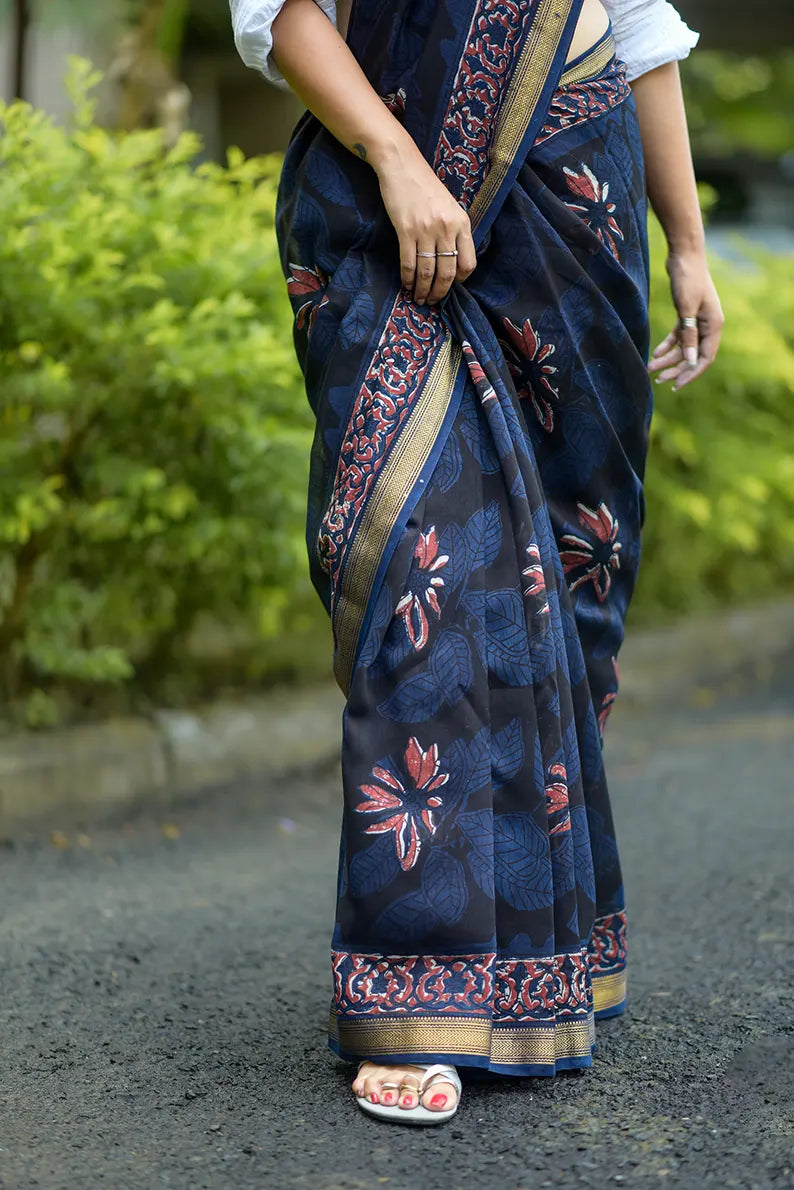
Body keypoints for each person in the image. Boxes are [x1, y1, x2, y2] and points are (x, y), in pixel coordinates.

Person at [230, 0, 723, 1125]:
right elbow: (275, 13)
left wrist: (686, 242)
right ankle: (417, 986)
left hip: (570, 200)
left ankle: (540, 956)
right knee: (421, 564)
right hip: (377, 194)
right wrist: (397, 160)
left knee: (563, 577)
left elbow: (639, 24)